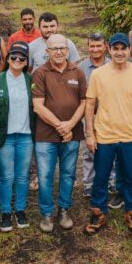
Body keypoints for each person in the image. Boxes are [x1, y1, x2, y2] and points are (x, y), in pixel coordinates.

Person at [84, 33, 132, 237]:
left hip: (130, 135)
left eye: (124, 48)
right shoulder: (98, 74)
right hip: (104, 134)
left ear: (129, 50)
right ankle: (98, 212)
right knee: (101, 176)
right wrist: (90, 134)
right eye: (116, 48)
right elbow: (90, 104)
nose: (120, 52)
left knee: (130, 176)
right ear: (108, 49)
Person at [32, 34, 87, 232]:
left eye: (62, 48)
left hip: (72, 134)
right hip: (46, 135)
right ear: (47, 52)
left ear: (67, 49)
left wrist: (71, 125)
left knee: (68, 174)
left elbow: (84, 102)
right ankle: (46, 213)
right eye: (54, 48)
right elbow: (38, 106)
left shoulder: (77, 72)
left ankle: (64, 209)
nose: (58, 51)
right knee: (45, 175)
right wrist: (61, 127)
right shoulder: (40, 73)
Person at [0, 41, 35, 231]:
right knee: (7, 177)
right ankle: (6, 212)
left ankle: (21, 210)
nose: (17, 60)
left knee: (23, 177)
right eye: (13, 57)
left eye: (21, 58)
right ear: (8, 59)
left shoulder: (30, 81)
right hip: (4, 137)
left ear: (26, 62)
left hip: (25, 136)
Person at [78, 32, 110, 198]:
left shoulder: (112, 65)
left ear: (105, 46)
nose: (95, 49)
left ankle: (110, 181)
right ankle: (89, 182)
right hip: (89, 113)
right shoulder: (81, 68)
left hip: (110, 114)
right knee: (89, 149)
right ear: (88, 47)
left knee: (109, 147)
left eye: (99, 46)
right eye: (92, 46)